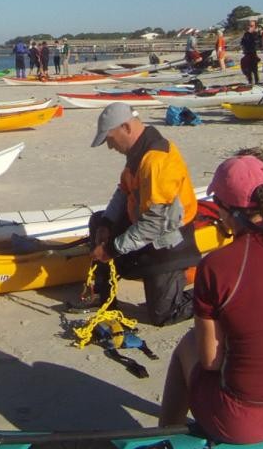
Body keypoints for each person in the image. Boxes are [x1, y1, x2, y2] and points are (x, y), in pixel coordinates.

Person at [159, 155, 263, 443]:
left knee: (188, 345)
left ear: (223, 210)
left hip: (245, 422)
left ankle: (165, 440)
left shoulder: (217, 266)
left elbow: (209, 361)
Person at [76, 103, 200, 326]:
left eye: (111, 139)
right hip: (143, 226)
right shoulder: (137, 153)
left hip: (169, 240)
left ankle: (211, 296)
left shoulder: (156, 160)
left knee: (163, 314)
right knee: (97, 220)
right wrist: (106, 223)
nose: (110, 147)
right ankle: (105, 296)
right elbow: (123, 191)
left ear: (125, 127)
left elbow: (156, 223)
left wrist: (112, 249)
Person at [240, 20, 261, 84]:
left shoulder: (256, 33)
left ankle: (257, 81)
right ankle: (250, 81)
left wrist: (251, 33)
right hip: (247, 52)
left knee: (255, 69)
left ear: (254, 26)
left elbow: (257, 41)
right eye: (249, 25)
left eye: (251, 26)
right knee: (247, 68)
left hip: (253, 52)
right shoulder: (246, 34)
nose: (250, 27)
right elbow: (242, 42)